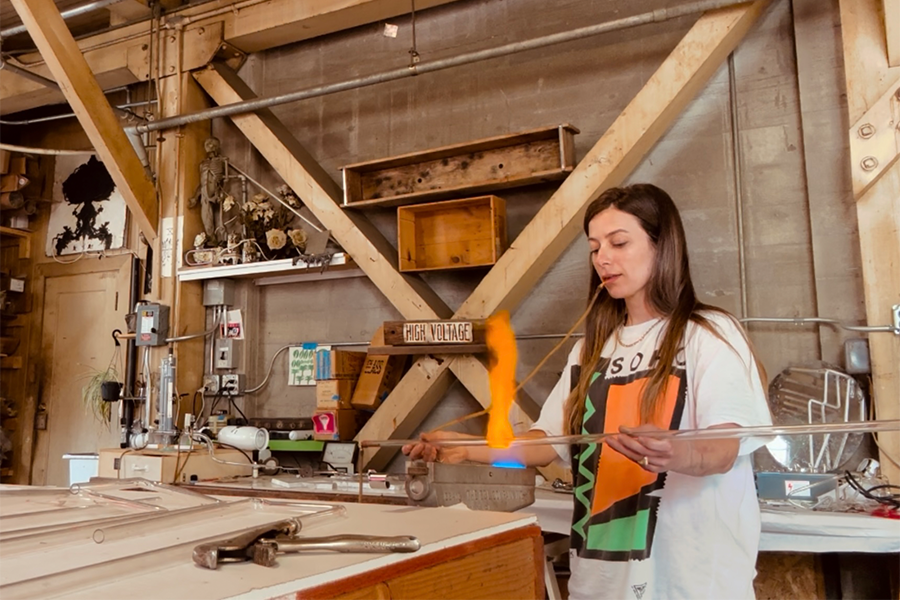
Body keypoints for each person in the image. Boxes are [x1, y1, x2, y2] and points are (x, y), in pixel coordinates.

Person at [403, 184, 773, 600]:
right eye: (595, 247)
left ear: (662, 245)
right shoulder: (590, 349)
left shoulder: (708, 333)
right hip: (598, 582)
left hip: (690, 581)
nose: (603, 259)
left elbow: (723, 448)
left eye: (619, 242)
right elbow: (548, 444)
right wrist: (470, 448)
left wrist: (677, 453)